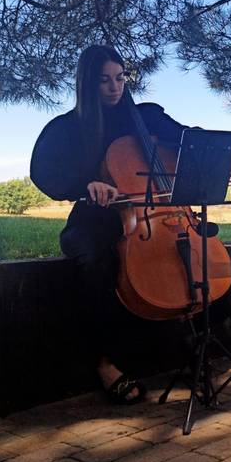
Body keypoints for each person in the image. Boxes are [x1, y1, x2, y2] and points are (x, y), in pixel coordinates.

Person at [30, 45, 191, 404]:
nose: (114, 87)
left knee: (194, 261)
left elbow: (190, 140)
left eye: (120, 78)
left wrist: (180, 142)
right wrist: (84, 184)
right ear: (88, 84)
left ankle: (191, 345)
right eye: (104, 81)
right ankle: (105, 362)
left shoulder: (145, 116)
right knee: (98, 263)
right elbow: (43, 171)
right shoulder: (69, 128)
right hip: (94, 220)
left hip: (156, 217)